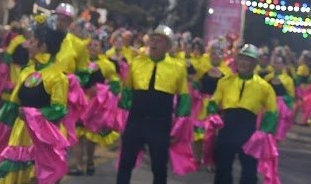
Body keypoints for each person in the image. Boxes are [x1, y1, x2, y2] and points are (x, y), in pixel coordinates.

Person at [0, 17, 70, 184]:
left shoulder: (58, 77)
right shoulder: (27, 71)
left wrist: (31, 114)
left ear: (43, 46)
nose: (28, 45)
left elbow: (58, 110)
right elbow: (13, 104)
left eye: (32, 42)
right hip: (21, 134)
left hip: (44, 137)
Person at [116, 24, 191, 184]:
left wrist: (177, 128)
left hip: (160, 124)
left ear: (168, 47)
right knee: (125, 163)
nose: (154, 43)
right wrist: (122, 121)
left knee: (159, 166)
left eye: (160, 41)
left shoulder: (178, 67)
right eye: (153, 40)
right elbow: (127, 94)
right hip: (136, 121)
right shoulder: (137, 63)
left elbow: (184, 99)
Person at [209, 43, 278, 184]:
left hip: (249, 133)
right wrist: (213, 115)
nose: (243, 63)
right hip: (227, 129)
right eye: (241, 58)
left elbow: (272, 112)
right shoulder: (225, 81)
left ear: (254, 63)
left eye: (247, 60)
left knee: (249, 172)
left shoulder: (264, 87)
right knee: (222, 169)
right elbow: (214, 101)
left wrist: (263, 132)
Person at [71, 37, 120, 176]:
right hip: (79, 103)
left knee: (91, 138)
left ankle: (90, 162)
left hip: (94, 106)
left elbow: (115, 85)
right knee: (77, 136)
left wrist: (99, 90)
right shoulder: (80, 62)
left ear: (101, 48)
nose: (92, 47)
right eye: (90, 45)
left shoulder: (107, 64)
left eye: (96, 45)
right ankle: (79, 166)